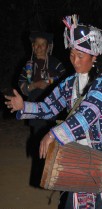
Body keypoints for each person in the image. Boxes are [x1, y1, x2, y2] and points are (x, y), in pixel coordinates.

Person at [5, 15, 102, 209]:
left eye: (81, 56)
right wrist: (23, 105)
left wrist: (54, 134)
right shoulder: (69, 82)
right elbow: (48, 106)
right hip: (82, 156)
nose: (75, 61)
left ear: (94, 57)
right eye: (72, 54)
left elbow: (87, 114)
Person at [18, 31, 66, 187]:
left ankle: (55, 173)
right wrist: (35, 85)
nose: (39, 47)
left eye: (42, 45)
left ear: (48, 46)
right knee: (39, 139)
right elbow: (23, 86)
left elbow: (67, 82)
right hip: (34, 108)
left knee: (54, 140)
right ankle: (41, 174)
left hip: (54, 109)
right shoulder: (28, 65)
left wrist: (51, 83)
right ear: (32, 46)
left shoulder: (56, 64)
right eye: (36, 45)